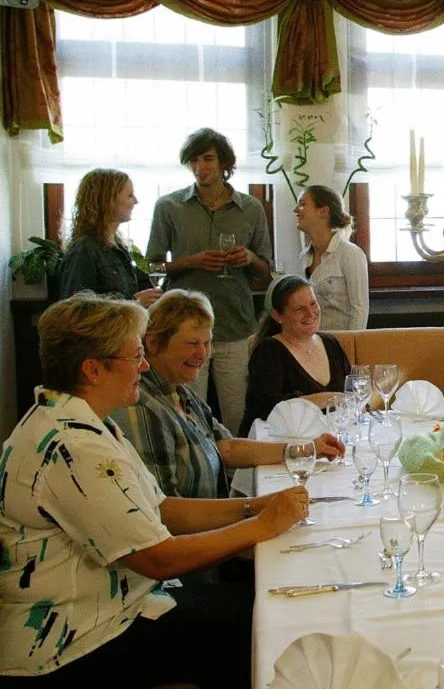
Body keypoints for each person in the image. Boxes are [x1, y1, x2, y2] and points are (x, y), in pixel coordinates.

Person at [0, 294, 308, 685]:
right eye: (133, 357)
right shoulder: (73, 445)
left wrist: (252, 507)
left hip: (116, 603)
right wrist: (263, 525)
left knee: (263, 606)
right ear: (93, 370)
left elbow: (160, 508)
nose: (143, 366)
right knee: (261, 626)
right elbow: (158, 560)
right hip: (75, 638)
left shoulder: (83, 421)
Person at [111, 289, 343, 501]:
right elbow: (166, 511)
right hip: (198, 538)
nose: (202, 354)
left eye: (207, 343)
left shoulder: (180, 392)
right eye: (192, 343)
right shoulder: (142, 407)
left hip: (215, 522)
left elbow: (227, 447)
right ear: (152, 343)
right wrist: (254, 510)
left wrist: (305, 450)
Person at [146, 127, 273, 435]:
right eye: (194, 160)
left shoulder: (251, 208)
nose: (200, 166)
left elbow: (266, 270)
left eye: (208, 159)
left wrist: (249, 259)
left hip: (234, 324)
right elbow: (153, 266)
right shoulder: (169, 206)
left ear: (224, 163)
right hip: (184, 329)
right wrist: (191, 261)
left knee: (237, 416)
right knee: (186, 413)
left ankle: (236, 481)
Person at [240, 275, 352, 435]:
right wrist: (326, 398)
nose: (310, 313)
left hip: (330, 438)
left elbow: (351, 391)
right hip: (284, 445)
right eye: (299, 309)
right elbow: (265, 408)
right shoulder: (269, 350)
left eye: (313, 304)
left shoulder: (330, 343)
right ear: (278, 316)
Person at [59, 168, 162, 307]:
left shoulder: (119, 247)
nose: (136, 201)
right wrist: (135, 304)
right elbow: (74, 310)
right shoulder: (84, 250)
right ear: (107, 199)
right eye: (130, 195)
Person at [296, 184, 369, 330]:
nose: (296, 210)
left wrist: (350, 349)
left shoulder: (350, 254)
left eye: (303, 204)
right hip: (312, 344)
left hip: (341, 344)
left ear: (323, 211)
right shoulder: (304, 257)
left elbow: (359, 311)